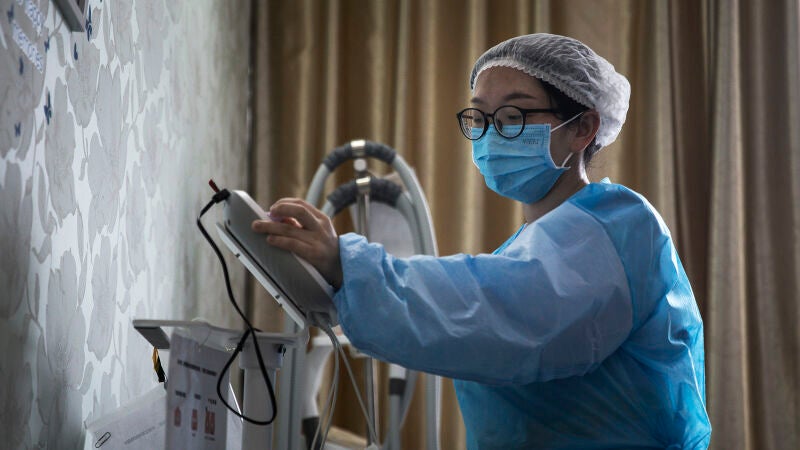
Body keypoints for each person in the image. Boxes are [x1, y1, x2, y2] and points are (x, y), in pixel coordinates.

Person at [253, 33, 712, 449]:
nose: (491, 133)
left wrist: (349, 264)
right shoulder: (527, 248)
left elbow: (501, 311)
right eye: (480, 116)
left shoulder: (621, 226)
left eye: (513, 115)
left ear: (582, 128)